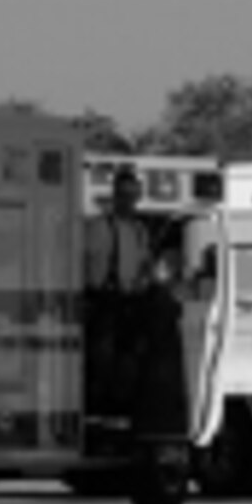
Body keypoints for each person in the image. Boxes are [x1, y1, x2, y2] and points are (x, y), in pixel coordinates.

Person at [82, 167, 155, 419]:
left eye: (133, 196)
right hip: (103, 303)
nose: (129, 202)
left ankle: (121, 410)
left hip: (131, 304)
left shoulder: (141, 231)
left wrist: (147, 283)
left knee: (131, 362)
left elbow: (146, 266)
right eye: (124, 195)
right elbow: (79, 263)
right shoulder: (97, 227)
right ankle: (97, 410)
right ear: (114, 196)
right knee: (102, 362)